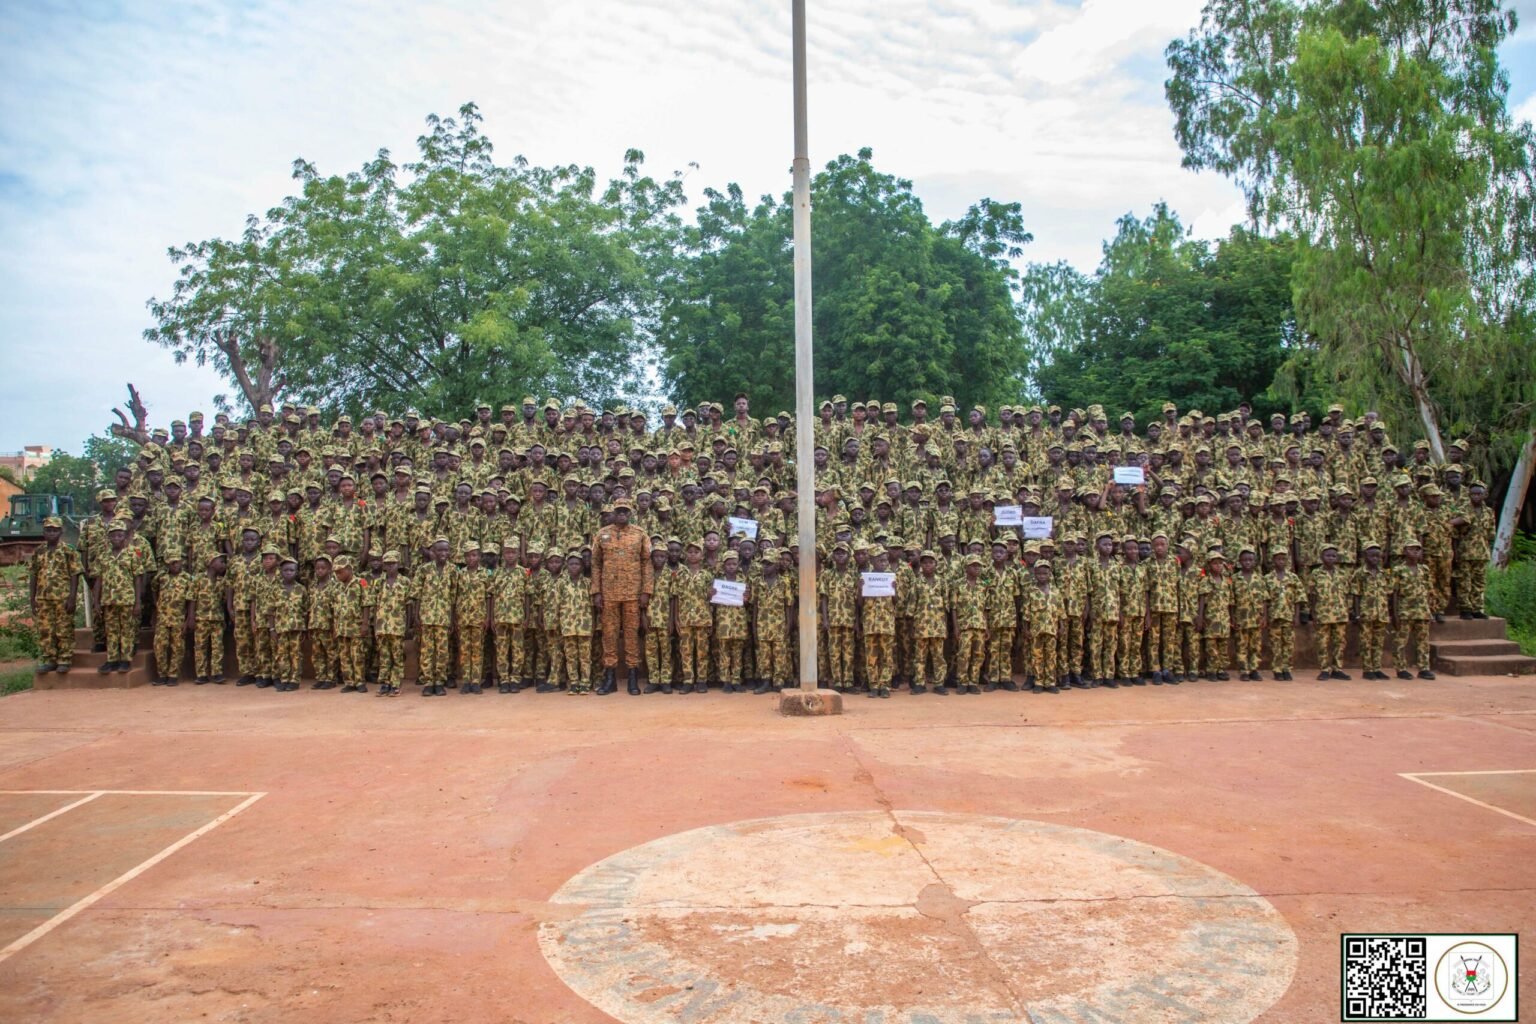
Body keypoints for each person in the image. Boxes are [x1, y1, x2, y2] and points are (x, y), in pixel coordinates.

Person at [591, 497, 652, 695]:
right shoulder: (602, 534)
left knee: (631, 634)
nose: (622, 514)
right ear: (613, 513)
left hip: (633, 594)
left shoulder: (640, 534)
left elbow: (646, 563)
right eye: (619, 511)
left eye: (625, 511)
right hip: (609, 593)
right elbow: (596, 564)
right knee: (609, 634)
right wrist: (596, 591)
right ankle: (610, 678)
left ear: (630, 513)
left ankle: (633, 676)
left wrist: (646, 591)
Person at [28, 516, 79, 674]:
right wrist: (32, 599)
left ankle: (64, 659)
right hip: (43, 598)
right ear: (43, 532)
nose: (51, 533)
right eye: (48, 530)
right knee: (45, 629)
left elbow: (75, 574)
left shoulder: (68, 550)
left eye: (55, 530)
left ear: (61, 531)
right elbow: (34, 575)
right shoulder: (39, 551)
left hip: (62, 597)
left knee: (64, 629)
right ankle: (49, 659)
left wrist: (72, 597)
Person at [94, 522, 144, 674]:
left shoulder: (132, 554)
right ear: (109, 537)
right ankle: (112, 659)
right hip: (108, 600)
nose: (116, 538)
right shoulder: (103, 556)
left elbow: (137, 578)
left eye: (120, 535)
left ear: (125, 536)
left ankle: (126, 660)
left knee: (127, 630)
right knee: (111, 631)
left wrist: (137, 602)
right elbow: (99, 580)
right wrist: (96, 601)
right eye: (113, 535)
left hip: (127, 599)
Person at [1392, 538, 1435, 680]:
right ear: (1404, 551)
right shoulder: (1398, 570)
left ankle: (1424, 668)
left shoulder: (1424, 569)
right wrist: (1395, 614)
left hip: (1422, 611)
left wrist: (1430, 609)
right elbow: (1394, 594)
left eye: (1418, 550)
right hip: (1405, 611)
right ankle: (1401, 668)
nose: (1415, 552)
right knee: (1401, 642)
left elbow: (1429, 591)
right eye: (1411, 549)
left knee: (1423, 641)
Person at [491, 540, 530, 693]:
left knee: (517, 649)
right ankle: (504, 679)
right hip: (500, 616)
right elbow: (492, 595)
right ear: (503, 554)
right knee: (501, 649)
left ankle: (515, 679)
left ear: (518, 554)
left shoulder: (523, 572)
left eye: (513, 552)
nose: (510, 555)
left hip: (518, 617)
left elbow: (527, 595)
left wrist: (527, 617)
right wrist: (492, 616)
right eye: (507, 552)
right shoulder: (497, 572)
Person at [555, 549, 594, 694]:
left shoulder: (588, 583)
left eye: (577, 564)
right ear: (567, 565)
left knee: (585, 656)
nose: (574, 567)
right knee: (570, 656)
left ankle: (585, 682)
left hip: (585, 626)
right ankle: (574, 682)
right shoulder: (561, 584)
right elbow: (557, 605)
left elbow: (592, 606)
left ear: (582, 566)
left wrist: (592, 625)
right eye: (571, 564)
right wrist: (558, 623)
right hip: (568, 625)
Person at [1352, 543, 1392, 679]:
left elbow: (1388, 593)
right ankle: (1367, 669)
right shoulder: (1359, 573)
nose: (1375, 559)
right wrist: (1357, 614)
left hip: (1381, 612)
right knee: (1365, 642)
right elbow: (1356, 594)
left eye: (1378, 556)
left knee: (1378, 642)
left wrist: (1389, 612)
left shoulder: (1384, 573)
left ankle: (1377, 668)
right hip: (1366, 613)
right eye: (1372, 556)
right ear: (1365, 557)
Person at [190, 553, 229, 684]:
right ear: (211, 563)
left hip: (217, 619)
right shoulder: (198, 579)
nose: (224, 564)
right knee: (200, 646)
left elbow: (224, 600)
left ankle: (217, 672)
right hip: (201, 618)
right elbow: (192, 599)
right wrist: (191, 617)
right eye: (221, 562)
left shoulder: (221, 581)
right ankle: (201, 674)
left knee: (218, 646)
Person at [151, 555, 191, 685]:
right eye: (171, 563)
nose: (174, 566)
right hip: (162, 617)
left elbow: (191, 600)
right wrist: (156, 605)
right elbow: (154, 589)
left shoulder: (187, 578)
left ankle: (173, 675)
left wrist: (188, 619)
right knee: (160, 646)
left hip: (178, 617)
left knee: (178, 647)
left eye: (177, 563)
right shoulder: (161, 577)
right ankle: (162, 674)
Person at [270, 556, 308, 692]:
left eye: (291, 570)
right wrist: (272, 628)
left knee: (296, 654)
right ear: (281, 571)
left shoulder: (301, 589)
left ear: (296, 572)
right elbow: (271, 611)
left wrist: (305, 629)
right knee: (282, 653)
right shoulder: (275, 589)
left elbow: (305, 610)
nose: (288, 573)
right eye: (285, 570)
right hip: (281, 628)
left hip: (297, 628)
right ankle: (284, 678)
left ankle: (294, 680)